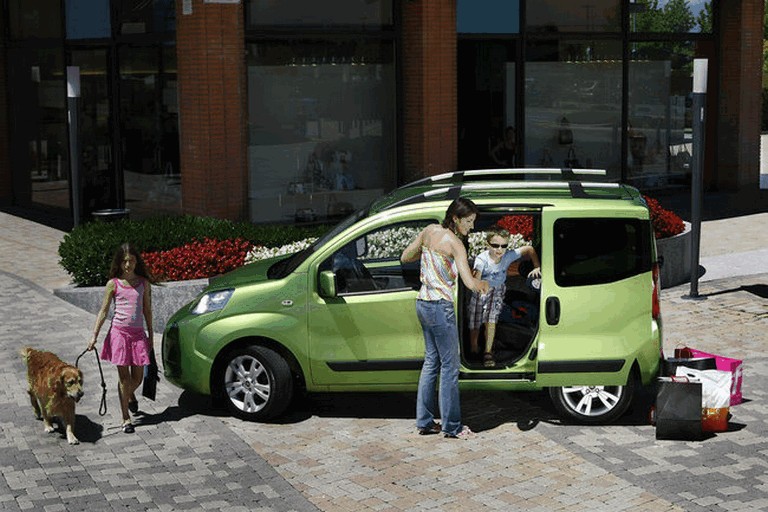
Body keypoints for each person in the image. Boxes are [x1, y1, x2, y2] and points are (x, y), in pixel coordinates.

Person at [400, 197, 490, 439]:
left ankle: (425, 422)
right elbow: (469, 283)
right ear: (455, 218)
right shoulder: (455, 244)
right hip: (440, 306)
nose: (471, 226)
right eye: (469, 222)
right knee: (450, 367)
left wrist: (429, 262)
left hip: (423, 303)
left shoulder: (430, 231)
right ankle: (452, 426)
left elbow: (405, 256)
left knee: (431, 362)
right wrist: (483, 284)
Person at [86, 243, 155, 434]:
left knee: (137, 378)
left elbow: (147, 310)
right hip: (119, 334)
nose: (128, 265)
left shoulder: (143, 283)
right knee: (124, 378)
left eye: (131, 260)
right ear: (119, 262)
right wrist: (94, 336)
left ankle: (129, 395)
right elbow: (103, 311)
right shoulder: (113, 284)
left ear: (136, 261)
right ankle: (126, 418)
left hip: (138, 335)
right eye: (124, 261)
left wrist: (150, 334)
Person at [468, 228, 541, 368]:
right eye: (495, 245)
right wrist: (481, 291)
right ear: (487, 244)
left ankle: (488, 352)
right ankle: (473, 346)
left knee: (491, 318)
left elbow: (529, 249)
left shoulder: (508, 256)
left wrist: (536, 266)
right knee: (475, 319)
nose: (499, 249)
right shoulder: (481, 260)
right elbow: (475, 280)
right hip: (481, 289)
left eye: (504, 246)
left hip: (497, 290)